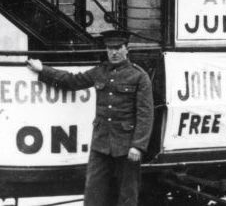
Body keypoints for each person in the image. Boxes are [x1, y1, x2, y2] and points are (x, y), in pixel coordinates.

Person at [26, 29, 153, 206]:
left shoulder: (139, 76)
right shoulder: (100, 71)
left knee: (127, 195)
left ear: (126, 49)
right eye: (110, 48)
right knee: (93, 192)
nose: (114, 52)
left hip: (126, 145)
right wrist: (43, 70)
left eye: (118, 48)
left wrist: (138, 146)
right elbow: (71, 81)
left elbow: (145, 114)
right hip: (101, 143)